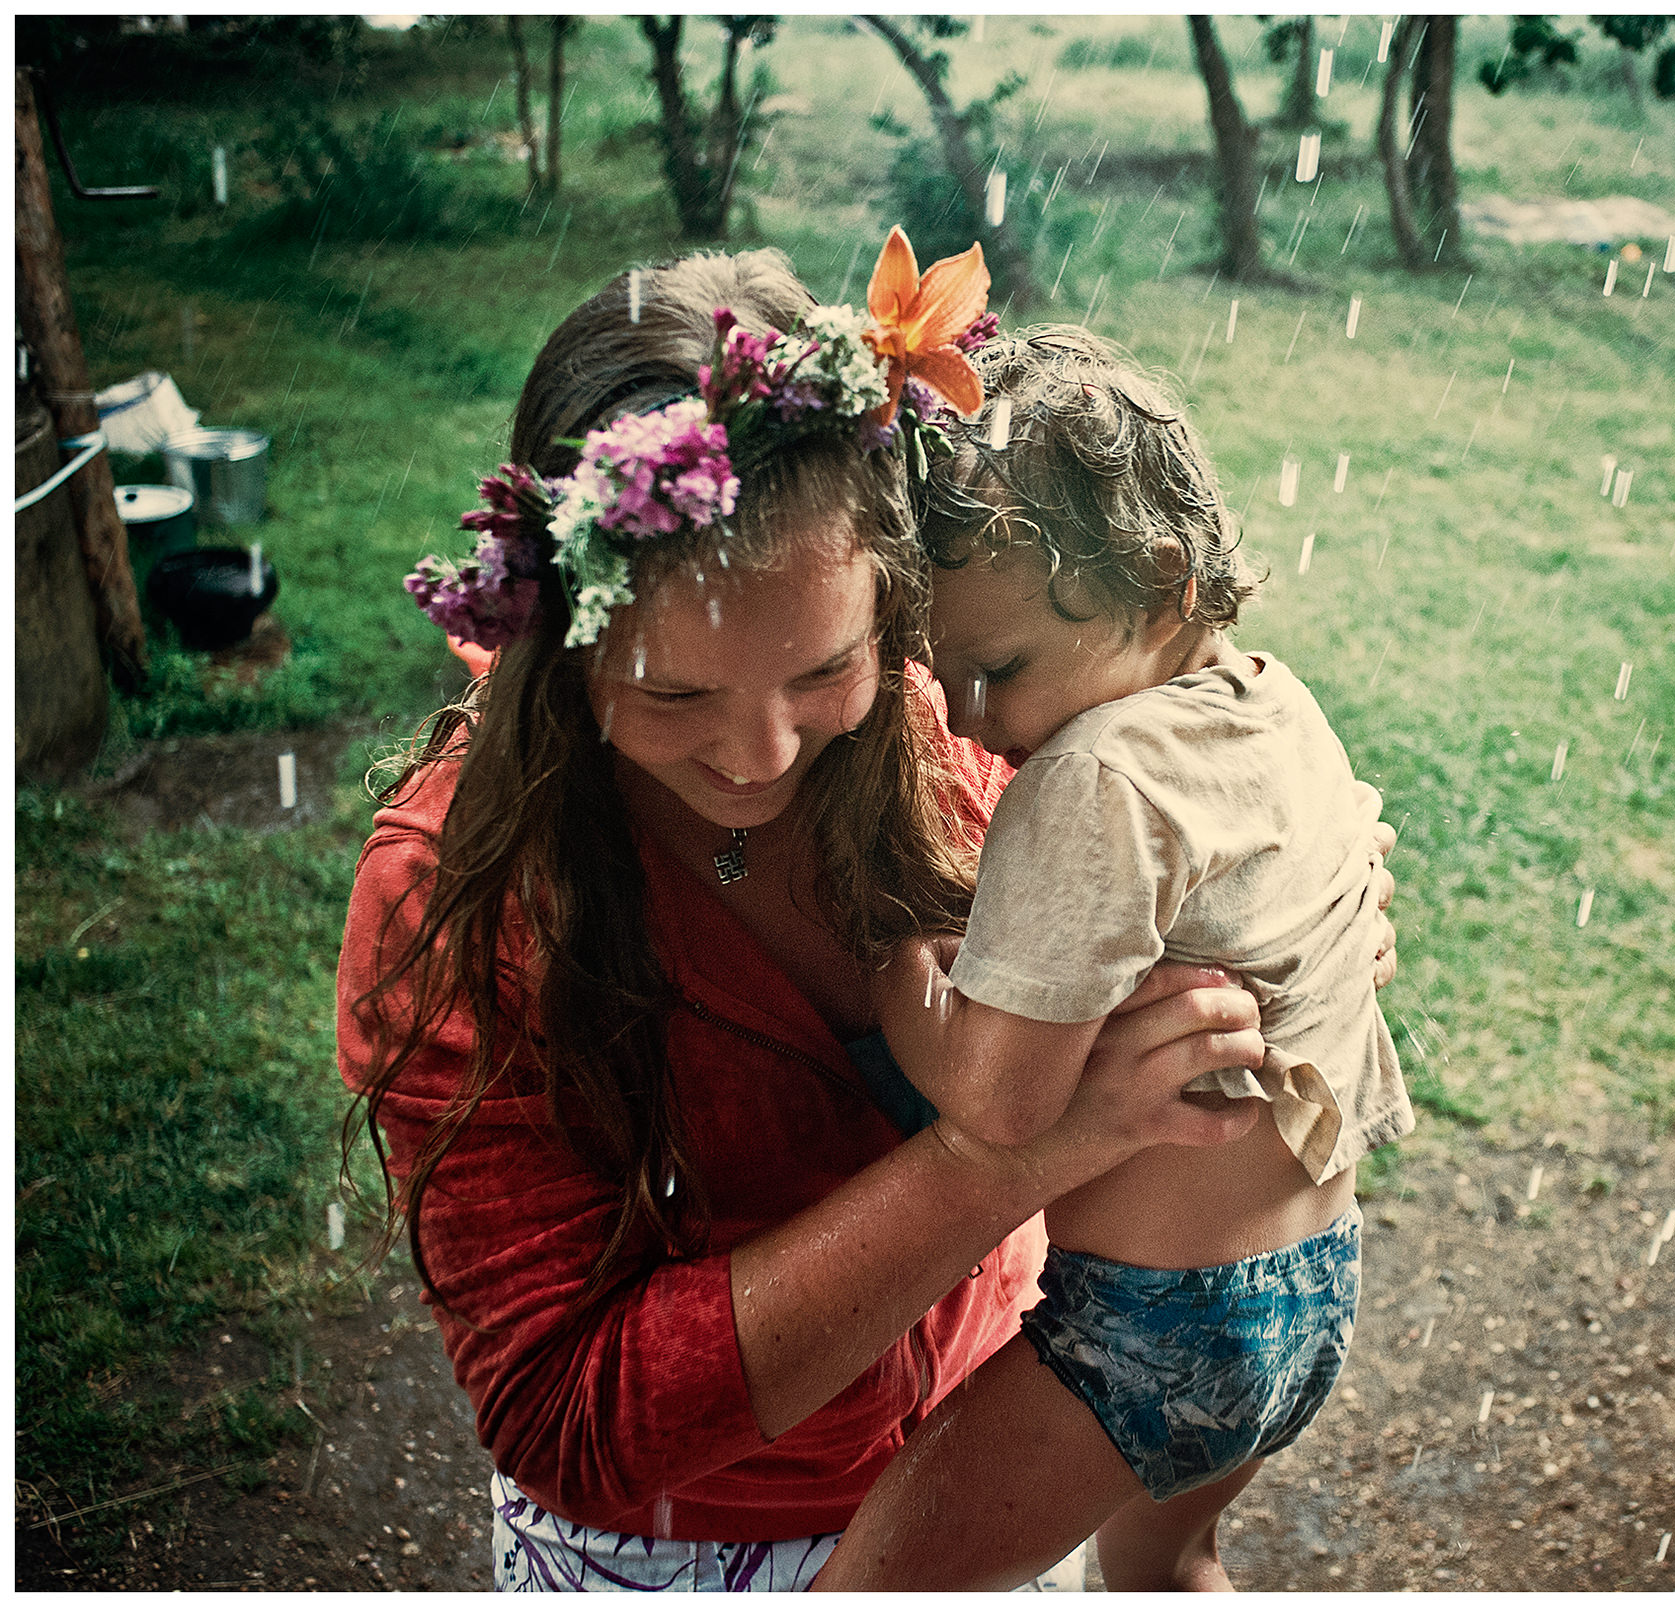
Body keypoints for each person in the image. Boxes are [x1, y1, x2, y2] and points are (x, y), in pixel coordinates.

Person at [335, 235, 1400, 1590]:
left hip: (1001, 1442)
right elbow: (569, 1420)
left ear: (891, 593)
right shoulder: (451, 895)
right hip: (681, 1544)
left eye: (827, 668)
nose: (763, 754)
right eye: (673, 696)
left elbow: (1208, 813)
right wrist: (1012, 1154)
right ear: (564, 639)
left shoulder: (969, 717)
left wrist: (1304, 917)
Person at [812, 328, 1413, 1591]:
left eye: (998, 669)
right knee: (1165, 1567)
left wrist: (898, 969)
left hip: (1154, 1325)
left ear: (1159, 573)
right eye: (942, 674)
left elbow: (1000, 1098)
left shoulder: (1090, 774)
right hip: (1315, 1279)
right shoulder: (1275, 702)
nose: (969, 719)